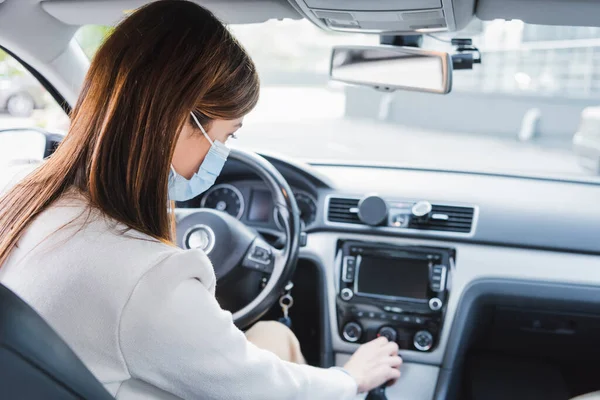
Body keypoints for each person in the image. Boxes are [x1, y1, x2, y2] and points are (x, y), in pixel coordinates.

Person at [0, 1, 402, 399]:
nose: (222, 155)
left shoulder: (16, 189)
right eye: (227, 136)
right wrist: (353, 378)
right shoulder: (147, 279)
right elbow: (269, 390)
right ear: (178, 122)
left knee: (270, 335)